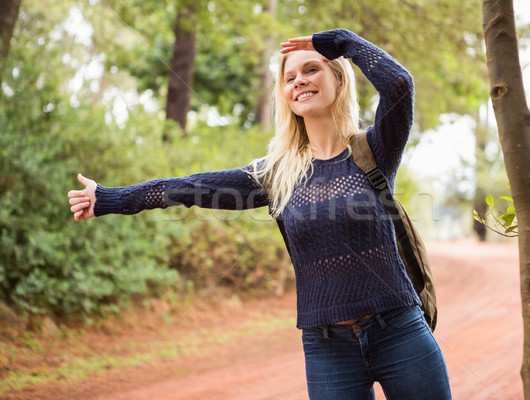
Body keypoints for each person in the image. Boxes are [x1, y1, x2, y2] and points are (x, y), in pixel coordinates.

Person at [68, 29, 452, 400]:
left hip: (399, 332)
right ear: (284, 95)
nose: (299, 81)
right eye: (289, 77)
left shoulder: (374, 150)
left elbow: (400, 84)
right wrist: (109, 199)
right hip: (328, 348)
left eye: (312, 69)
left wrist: (340, 41)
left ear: (339, 79)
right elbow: (187, 188)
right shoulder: (275, 175)